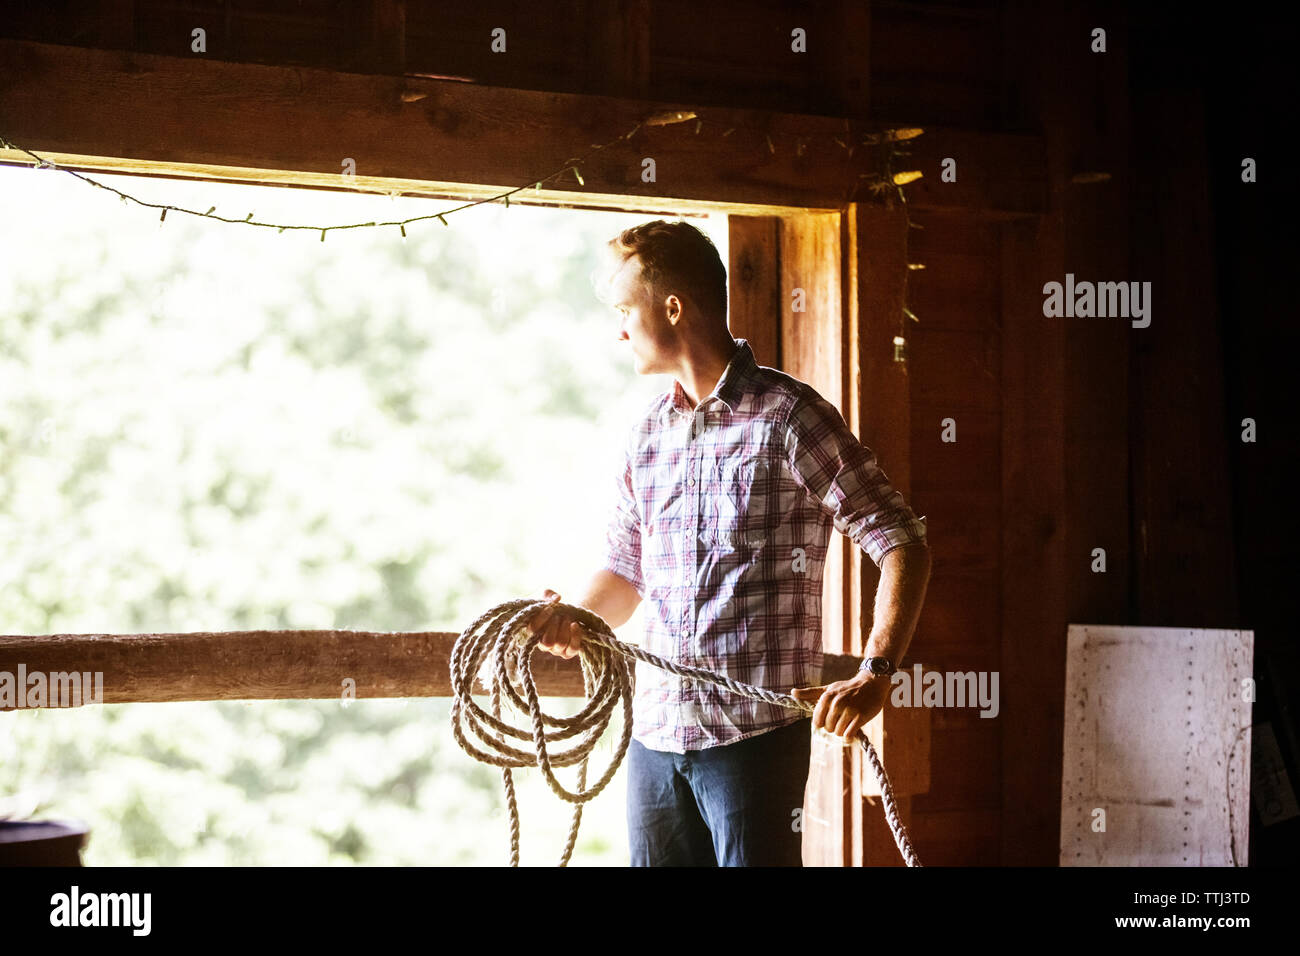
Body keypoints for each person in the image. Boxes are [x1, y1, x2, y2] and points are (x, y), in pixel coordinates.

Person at [531, 219, 931, 866]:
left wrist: (876, 673)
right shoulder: (646, 434)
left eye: (625, 309)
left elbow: (901, 540)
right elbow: (625, 572)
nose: (619, 328)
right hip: (654, 741)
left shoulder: (789, 418)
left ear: (672, 307)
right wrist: (572, 616)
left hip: (754, 743)